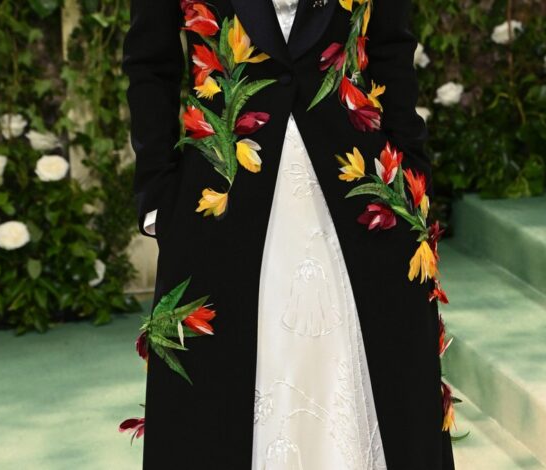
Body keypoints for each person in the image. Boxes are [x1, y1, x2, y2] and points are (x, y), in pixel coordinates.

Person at [122, 0, 455, 468]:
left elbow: (391, 49)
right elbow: (150, 63)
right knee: (218, 396)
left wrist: (413, 177)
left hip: (364, 197)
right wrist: (159, 197)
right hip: (219, 203)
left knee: (378, 383)